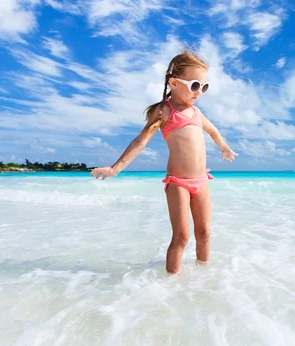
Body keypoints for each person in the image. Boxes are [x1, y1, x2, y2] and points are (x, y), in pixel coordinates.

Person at [90, 50, 238, 274]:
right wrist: (115, 168)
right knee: (181, 236)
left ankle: (204, 281)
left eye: (204, 87)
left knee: (205, 234)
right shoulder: (165, 111)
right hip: (178, 182)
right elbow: (141, 141)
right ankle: (169, 285)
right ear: (174, 82)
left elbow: (214, 131)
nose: (199, 92)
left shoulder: (196, 113)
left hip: (201, 181)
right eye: (195, 85)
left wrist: (224, 147)